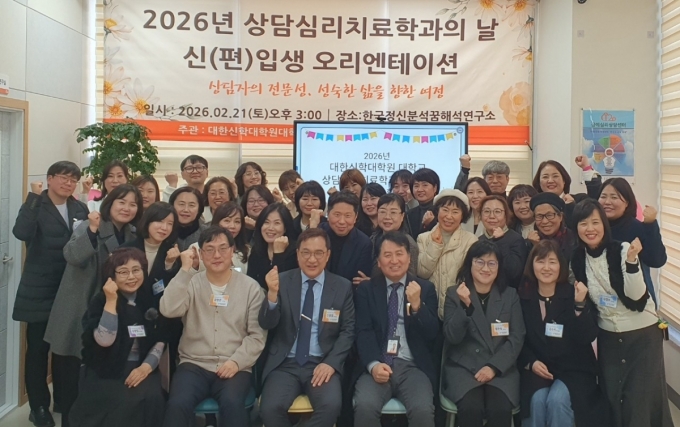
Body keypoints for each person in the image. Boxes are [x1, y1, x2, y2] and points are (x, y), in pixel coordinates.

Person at [570, 200, 674, 427]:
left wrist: (631, 262)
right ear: (576, 227)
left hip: (642, 335)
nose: (590, 228)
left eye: (595, 222)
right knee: (614, 398)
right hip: (608, 336)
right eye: (583, 223)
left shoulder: (623, 249)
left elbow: (637, 297)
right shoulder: (577, 259)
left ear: (604, 224)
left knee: (639, 401)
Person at [44, 184, 142, 425]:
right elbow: (72, 255)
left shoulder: (132, 233)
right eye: (121, 202)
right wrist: (91, 231)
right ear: (109, 203)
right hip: (78, 308)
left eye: (133, 204)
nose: (127, 208)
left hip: (108, 312)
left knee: (94, 384)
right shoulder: (92, 224)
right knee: (71, 381)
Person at [160, 226, 266, 427]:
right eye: (209, 249)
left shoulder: (250, 287)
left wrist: (236, 362)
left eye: (223, 248)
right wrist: (185, 271)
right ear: (200, 254)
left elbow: (256, 336)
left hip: (234, 364)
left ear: (233, 251)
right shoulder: (191, 282)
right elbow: (168, 309)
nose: (217, 255)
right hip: (193, 363)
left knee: (232, 403)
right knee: (177, 404)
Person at [12, 161, 89, 427]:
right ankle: (39, 407)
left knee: (65, 349)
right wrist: (32, 198)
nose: (68, 183)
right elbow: (21, 232)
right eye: (63, 178)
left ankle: (64, 403)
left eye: (73, 179)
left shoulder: (78, 208)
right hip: (40, 290)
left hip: (70, 289)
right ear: (50, 179)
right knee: (37, 351)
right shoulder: (37, 204)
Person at [259, 228, 355, 427]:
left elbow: (348, 331)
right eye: (306, 253)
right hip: (285, 364)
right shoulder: (282, 281)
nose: (312, 259)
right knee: (269, 409)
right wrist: (272, 295)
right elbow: (267, 323)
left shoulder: (342, 286)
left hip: (322, 362)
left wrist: (331, 363)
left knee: (331, 406)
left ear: (328, 255)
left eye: (319, 253)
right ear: (297, 254)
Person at [69, 248, 166, 427]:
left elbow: (160, 339)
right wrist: (111, 301)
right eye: (123, 272)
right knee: (122, 402)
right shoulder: (100, 300)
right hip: (106, 367)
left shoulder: (148, 299)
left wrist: (146, 368)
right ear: (111, 276)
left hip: (141, 365)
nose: (131, 277)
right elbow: (104, 341)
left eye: (136, 270)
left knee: (152, 397)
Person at [517, 240, 609, 427]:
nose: (546, 267)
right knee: (537, 402)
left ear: (561, 266)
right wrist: (531, 363)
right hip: (540, 369)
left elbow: (587, 336)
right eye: (540, 261)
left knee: (557, 401)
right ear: (531, 265)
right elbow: (520, 339)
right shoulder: (523, 298)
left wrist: (579, 306)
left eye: (552, 262)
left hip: (573, 370)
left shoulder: (574, 294)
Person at [354, 232, 439, 427]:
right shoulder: (367, 290)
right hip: (377, 363)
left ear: (409, 258)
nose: (394, 260)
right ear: (378, 261)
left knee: (423, 410)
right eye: (387, 255)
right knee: (365, 406)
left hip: (412, 367)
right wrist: (373, 365)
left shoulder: (425, 288)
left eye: (399, 254)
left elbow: (432, 334)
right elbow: (363, 331)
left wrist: (417, 306)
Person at [442, 240, 525, 427]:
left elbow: (517, 337)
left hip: (501, 369)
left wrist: (494, 367)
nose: (485, 268)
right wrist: (465, 306)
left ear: (499, 267)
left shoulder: (510, 295)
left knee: (500, 409)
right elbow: (452, 337)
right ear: (470, 264)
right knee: (471, 408)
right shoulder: (454, 294)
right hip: (464, 369)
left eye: (492, 263)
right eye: (480, 262)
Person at [598, 178, 666, 305]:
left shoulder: (637, 228)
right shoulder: (595, 228)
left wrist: (650, 225)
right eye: (603, 196)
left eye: (614, 197)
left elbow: (656, 261)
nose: (607, 202)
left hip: (636, 302)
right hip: (603, 301)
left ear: (627, 203)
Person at [417, 189, 477, 319]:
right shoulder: (423, 238)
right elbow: (422, 273)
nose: (449, 216)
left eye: (455, 212)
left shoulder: (471, 240)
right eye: (445, 210)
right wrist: (435, 245)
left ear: (463, 215)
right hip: (430, 308)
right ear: (437, 211)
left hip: (458, 308)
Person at [120, 202, 180, 307]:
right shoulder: (125, 250)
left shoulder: (174, 253)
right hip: (129, 309)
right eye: (160, 221)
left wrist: (169, 264)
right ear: (148, 221)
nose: (164, 227)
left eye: (170, 223)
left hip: (160, 310)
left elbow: (173, 291)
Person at [318, 191, 372, 285]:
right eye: (337, 215)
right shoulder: (318, 234)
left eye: (348, 216)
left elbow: (357, 280)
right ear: (328, 214)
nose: (342, 221)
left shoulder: (364, 243)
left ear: (355, 217)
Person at [531, 157, 601, 228]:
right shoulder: (533, 206)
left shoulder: (580, 200)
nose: (550, 181)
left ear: (564, 180)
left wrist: (586, 168)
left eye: (555, 176)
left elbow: (596, 198)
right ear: (539, 182)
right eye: (545, 177)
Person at [478, 195, 528, 289]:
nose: (491, 216)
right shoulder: (479, 240)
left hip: (507, 293)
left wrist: (500, 240)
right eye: (487, 211)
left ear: (506, 215)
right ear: (480, 216)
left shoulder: (516, 239)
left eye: (497, 212)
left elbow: (513, 273)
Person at [246, 203, 298, 291]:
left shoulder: (295, 252)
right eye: (266, 222)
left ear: (285, 228)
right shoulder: (257, 250)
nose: (270, 228)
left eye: (277, 223)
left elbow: (283, 286)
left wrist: (278, 254)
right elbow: (250, 283)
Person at [371, 193, 418, 277]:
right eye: (382, 212)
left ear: (402, 216)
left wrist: (373, 282)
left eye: (393, 212)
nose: (387, 217)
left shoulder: (408, 244)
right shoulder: (373, 238)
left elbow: (410, 278)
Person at [528, 193, 577, 262]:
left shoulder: (574, 240)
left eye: (549, 215)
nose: (544, 221)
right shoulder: (530, 242)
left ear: (560, 216)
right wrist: (536, 247)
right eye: (539, 216)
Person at [209, 202, 250, 273]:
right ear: (217, 222)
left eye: (237, 222)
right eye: (227, 221)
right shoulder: (199, 248)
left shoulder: (247, 250)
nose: (232, 226)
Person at [406, 168, 440, 239]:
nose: (420, 189)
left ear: (435, 188)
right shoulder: (409, 214)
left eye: (425, 185)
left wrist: (432, 223)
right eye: (416, 186)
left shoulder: (442, 211)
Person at [169, 187, 206, 251]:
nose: (186, 210)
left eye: (191, 205)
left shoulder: (207, 233)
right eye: (181, 204)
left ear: (199, 209)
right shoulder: (164, 230)